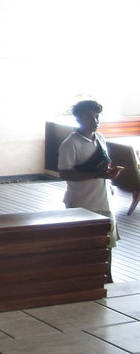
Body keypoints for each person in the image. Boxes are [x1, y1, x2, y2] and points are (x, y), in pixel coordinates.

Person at [58, 99, 122, 280]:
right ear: (78, 119)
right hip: (82, 202)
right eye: (89, 117)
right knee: (83, 246)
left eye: (97, 116)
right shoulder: (71, 143)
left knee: (107, 243)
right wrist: (96, 174)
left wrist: (110, 173)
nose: (95, 121)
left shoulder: (100, 138)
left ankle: (106, 278)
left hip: (104, 200)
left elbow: (104, 166)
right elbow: (64, 173)